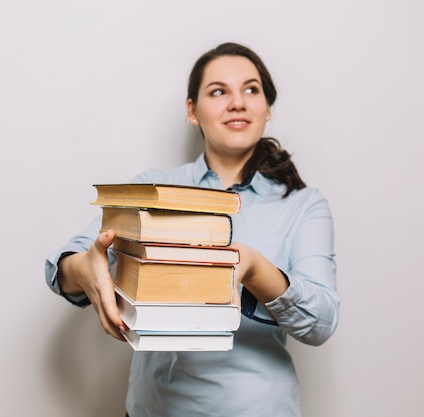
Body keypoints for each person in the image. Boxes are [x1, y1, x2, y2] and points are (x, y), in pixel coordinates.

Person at [45, 42, 339, 417]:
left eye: (251, 90)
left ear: (267, 108)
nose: (237, 102)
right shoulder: (152, 188)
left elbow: (322, 322)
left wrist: (252, 267)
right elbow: (64, 265)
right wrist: (84, 268)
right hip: (156, 408)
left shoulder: (303, 205)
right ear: (193, 111)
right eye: (219, 91)